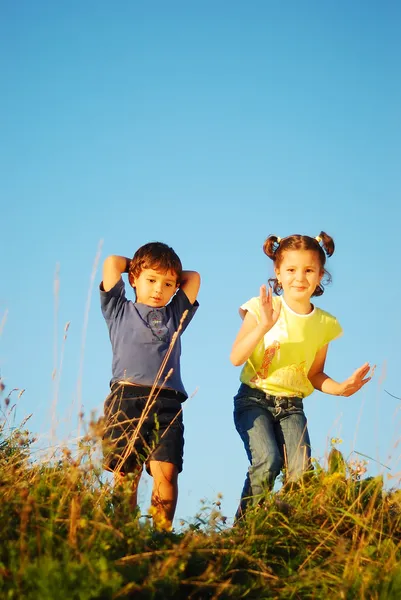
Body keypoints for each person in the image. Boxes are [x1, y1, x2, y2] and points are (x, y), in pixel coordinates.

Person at [230, 232, 373, 519]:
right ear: (278, 273)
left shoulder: (324, 323)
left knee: (300, 474)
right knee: (268, 461)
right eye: (291, 270)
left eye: (309, 270)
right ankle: (244, 529)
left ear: (321, 274)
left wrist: (342, 388)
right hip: (253, 400)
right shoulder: (262, 308)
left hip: (292, 406)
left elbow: (315, 374)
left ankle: (290, 528)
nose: (300, 278)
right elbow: (236, 358)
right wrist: (263, 326)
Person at [100, 242, 200, 530]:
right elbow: (111, 263)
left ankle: (161, 535)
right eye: (151, 280)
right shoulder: (118, 309)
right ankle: (122, 532)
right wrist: (140, 264)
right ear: (133, 279)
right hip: (127, 397)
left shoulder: (175, 314)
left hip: (167, 402)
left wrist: (164, 271)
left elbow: (193, 278)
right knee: (126, 473)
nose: (159, 289)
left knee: (166, 473)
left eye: (168, 283)